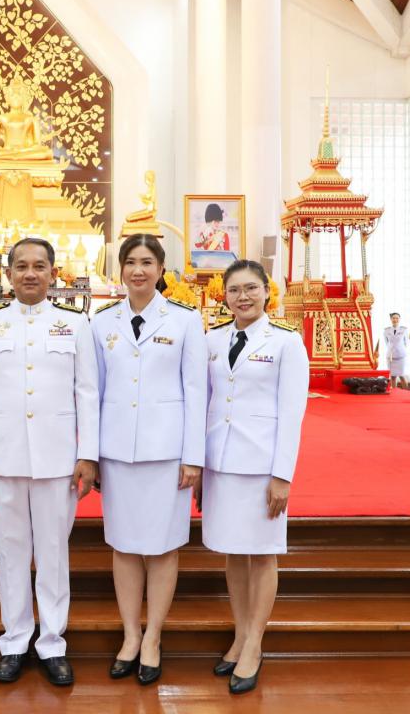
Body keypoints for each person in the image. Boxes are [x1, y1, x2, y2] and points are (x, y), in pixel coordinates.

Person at [0, 237, 99, 687]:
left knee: (54, 554)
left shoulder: (75, 324)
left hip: (58, 459)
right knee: (11, 553)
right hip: (2, 458)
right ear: (8, 274)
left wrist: (88, 453)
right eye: (21, 266)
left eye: (40, 266)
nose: (30, 273)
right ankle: (15, 641)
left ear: (54, 274)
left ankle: (53, 642)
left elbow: (87, 393)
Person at [91, 234, 207, 685]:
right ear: (120, 269)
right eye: (130, 262)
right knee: (123, 545)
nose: (138, 270)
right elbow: (93, 393)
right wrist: (92, 454)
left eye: (147, 262)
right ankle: (130, 635)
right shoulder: (101, 322)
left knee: (162, 547)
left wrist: (193, 457)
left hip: (167, 453)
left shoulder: (185, 320)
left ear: (161, 269)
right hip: (117, 451)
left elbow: (196, 391)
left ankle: (154, 636)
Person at [201, 259, 309, 696]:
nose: (242, 297)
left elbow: (292, 414)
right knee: (233, 552)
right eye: (234, 290)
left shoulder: (286, 342)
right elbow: (205, 401)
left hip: (262, 465)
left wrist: (282, 475)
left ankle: (254, 645)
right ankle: (240, 634)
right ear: (223, 296)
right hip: (221, 462)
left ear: (267, 292)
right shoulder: (212, 339)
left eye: (250, 288)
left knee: (262, 554)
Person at [381, 312, 408, 391]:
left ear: (399, 319)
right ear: (391, 319)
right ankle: (395, 392)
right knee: (392, 376)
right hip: (391, 356)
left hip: (400, 355)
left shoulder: (404, 330)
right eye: (393, 318)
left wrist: (399, 348)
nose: (395, 319)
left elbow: (406, 343)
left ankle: (406, 392)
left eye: (397, 318)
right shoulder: (386, 330)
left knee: (402, 375)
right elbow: (387, 343)